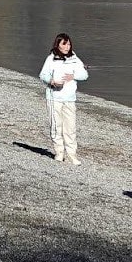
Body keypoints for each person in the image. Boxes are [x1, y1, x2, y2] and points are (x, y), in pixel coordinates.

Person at [39, 32, 89, 164]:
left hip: (70, 99)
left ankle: (72, 155)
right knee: (56, 126)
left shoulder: (74, 58)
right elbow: (42, 75)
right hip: (54, 97)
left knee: (70, 128)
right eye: (64, 44)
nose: (67, 47)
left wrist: (73, 76)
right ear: (58, 45)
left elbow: (84, 75)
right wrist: (52, 81)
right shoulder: (51, 59)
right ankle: (59, 153)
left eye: (69, 44)